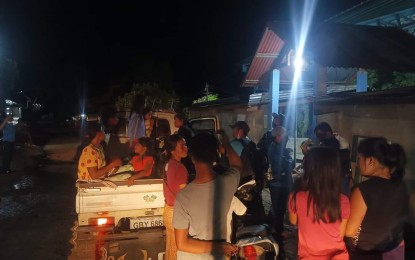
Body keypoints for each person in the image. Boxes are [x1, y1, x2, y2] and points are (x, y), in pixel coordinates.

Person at [173, 131, 241, 259]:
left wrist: (219, 247)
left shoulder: (183, 197)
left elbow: (182, 244)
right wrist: (226, 142)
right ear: (215, 157)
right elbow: (237, 164)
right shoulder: (227, 183)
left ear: (192, 157)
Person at [345, 137, 409, 259]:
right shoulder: (401, 186)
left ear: (370, 161)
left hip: (369, 253)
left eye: (359, 159)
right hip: (395, 250)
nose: (358, 164)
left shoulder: (363, 190)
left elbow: (350, 231)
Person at [288, 147, 350, 259]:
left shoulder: (297, 197)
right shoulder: (343, 200)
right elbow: (340, 234)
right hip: (338, 256)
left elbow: (293, 221)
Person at [161, 134, 189, 260]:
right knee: (178, 252)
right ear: (173, 150)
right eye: (182, 145)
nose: (185, 147)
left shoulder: (168, 164)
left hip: (168, 210)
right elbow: (184, 196)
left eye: (185, 144)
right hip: (177, 213)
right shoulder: (180, 168)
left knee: (170, 248)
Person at [267, 126, 294, 240]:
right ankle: (278, 232)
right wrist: (289, 160)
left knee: (278, 207)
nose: (285, 138)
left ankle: (276, 228)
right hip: (279, 182)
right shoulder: (275, 148)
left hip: (278, 181)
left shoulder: (276, 146)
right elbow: (284, 164)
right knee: (280, 207)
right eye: (283, 136)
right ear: (278, 136)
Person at [314, 122, 351, 196]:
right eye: (318, 136)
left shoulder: (342, 144)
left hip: (340, 178)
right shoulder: (325, 142)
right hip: (329, 177)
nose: (319, 139)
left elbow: (337, 162)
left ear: (328, 133)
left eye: (320, 135)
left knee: (341, 200)